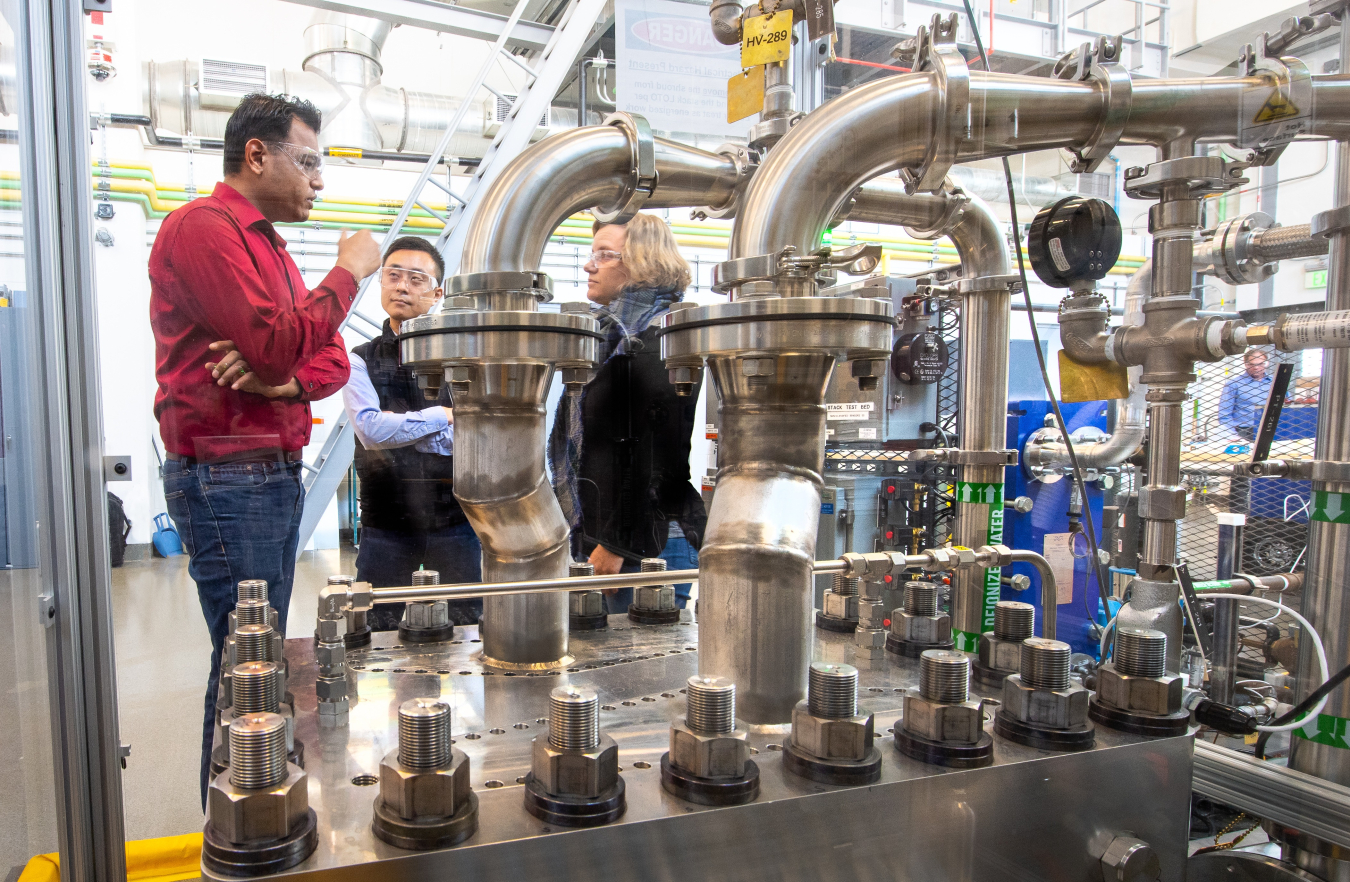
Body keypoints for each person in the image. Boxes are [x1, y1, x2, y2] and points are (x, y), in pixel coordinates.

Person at [150, 93, 381, 806]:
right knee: (246, 669)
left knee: (262, 659)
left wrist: (282, 387)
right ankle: (231, 840)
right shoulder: (203, 228)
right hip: (226, 477)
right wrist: (350, 272)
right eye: (307, 161)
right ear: (257, 154)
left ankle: (259, 827)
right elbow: (280, 342)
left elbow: (330, 363)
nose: (319, 181)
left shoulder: (270, 250)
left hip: (269, 473)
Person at [548, 213, 706, 613]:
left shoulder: (663, 339)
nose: (589, 265)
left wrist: (618, 542)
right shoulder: (607, 340)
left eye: (604, 255)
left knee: (632, 672)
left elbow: (659, 454)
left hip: (640, 545)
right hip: (604, 536)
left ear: (642, 261)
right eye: (592, 254)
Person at [343, 236, 482, 628]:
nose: (402, 286)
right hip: (384, 524)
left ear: (438, 292)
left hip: (454, 521)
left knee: (466, 633)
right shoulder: (358, 360)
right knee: (376, 633)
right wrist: (442, 415)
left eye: (416, 279)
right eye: (393, 276)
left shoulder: (462, 359)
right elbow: (371, 431)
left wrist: (402, 429)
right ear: (381, 283)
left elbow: (475, 434)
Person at [1218, 348, 1274, 441]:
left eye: (1260, 364)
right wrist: (1232, 436)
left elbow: (1287, 404)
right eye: (1252, 364)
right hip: (1245, 432)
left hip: (1273, 429)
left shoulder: (1276, 382)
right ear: (1246, 364)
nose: (1256, 367)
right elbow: (1224, 414)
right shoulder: (1234, 384)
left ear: (1266, 364)